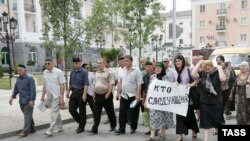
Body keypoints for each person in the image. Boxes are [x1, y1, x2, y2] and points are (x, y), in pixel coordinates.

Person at [191, 60, 226, 141]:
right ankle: (206, 139)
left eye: (209, 69)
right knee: (205, 122)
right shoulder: (202, 73)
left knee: (217, 121)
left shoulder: (217, 72)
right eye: (205, 69)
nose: (207, 71)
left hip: (216, 101)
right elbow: (193, 74)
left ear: (212, 67)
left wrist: (220, 68)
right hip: (204, 101)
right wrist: (198, 64)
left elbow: (223, 79)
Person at [173, 54, 199, 141]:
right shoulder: (174, 71)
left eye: (179, 61)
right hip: (178, 98)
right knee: (179, 117)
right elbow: (171, 83)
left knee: (190, 116)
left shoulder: (189, 69)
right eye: (176, 61)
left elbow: (197, 79)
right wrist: (174, 84)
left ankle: (194, 130)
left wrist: (191, 85)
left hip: (188, 98)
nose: (177, 63)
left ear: (183, 61)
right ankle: (180, 135)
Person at [147, 62, 175, 141]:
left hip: (163, 103)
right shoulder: (152, 77)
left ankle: (163, 134)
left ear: (162, 69)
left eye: (159, 68)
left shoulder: (166, 78)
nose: (157, 69)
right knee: (152, 117)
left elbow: (169, 90)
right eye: (156, 68)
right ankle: (152, 136)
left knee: (163, 117)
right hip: (154, 102)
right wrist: (146, 100)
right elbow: (149, 89)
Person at [116, 55, 143, 135]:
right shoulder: (121, 70)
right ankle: (122, 129)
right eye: (124, 61)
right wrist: (118, 93)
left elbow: (139, 84)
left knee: (134, 113)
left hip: (133, 95)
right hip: (124, 95)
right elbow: (119, 82)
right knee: (122, 112)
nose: (125, 62)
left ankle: (133, 127)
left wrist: (138, 95)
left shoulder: (137, 71)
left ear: (131, 61)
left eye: (127, 61)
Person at [89, 58, 116, 134]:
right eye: (97, 63)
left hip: (106, 95)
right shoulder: (96, 73)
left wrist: (108, 93)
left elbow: (111, 84)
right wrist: (94, 94)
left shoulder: (108, 73)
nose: (98, 64)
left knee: (110, 112)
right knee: (97, 113)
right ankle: (95, 129)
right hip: (98, 95)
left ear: (104, 64)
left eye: (100, 63)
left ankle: (113, 125)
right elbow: (95, 84)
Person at [9, 64, 36, 138]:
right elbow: (16, 89)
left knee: (27, 116)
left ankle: (25, 131)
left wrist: (32, 100)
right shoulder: (18, 79)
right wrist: (12, 97)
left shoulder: (30, 79)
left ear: (25, 70)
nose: (18, 72)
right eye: (17, 70)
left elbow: (33, 91)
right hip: (21, 101)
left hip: (28, 101)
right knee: (27, 115)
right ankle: (32, 128)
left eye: (20, 70)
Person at [41, 58, 66, 136]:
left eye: (49, 63)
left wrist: (62, 97)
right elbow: (45, 85)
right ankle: (60, 127)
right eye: (46, 64)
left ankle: (50, 130)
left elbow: (62, 85)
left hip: (57, 96)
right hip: (49, 96)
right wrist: (42, 95)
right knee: (56, 112)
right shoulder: (45, 72)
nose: (47, 65)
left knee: (53, 112)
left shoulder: (58, 72)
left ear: (53, 63)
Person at [66, 57, 89, 134]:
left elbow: (86, 84)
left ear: (80, 62)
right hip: (74, 92)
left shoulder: (84, 72)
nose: (76, 64)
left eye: (77, 63)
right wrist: (68, 91)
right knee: (71, 109)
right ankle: (81, 121)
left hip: (81, 92)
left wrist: (84, 94)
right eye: (74, 63)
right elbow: (70, 83)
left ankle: (81, 127)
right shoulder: (72, 73)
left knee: (82, 110)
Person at [216, 55, 231, 124]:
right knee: (218, 107)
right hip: (217, 91)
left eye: (220, 60)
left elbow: (225, 80)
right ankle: (221, 121)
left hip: (224, 90)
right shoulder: (216, 69)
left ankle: (221, 121)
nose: (218, 62)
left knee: (221, 107)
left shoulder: (227, 69)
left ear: (223, 61)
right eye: (217, 60)